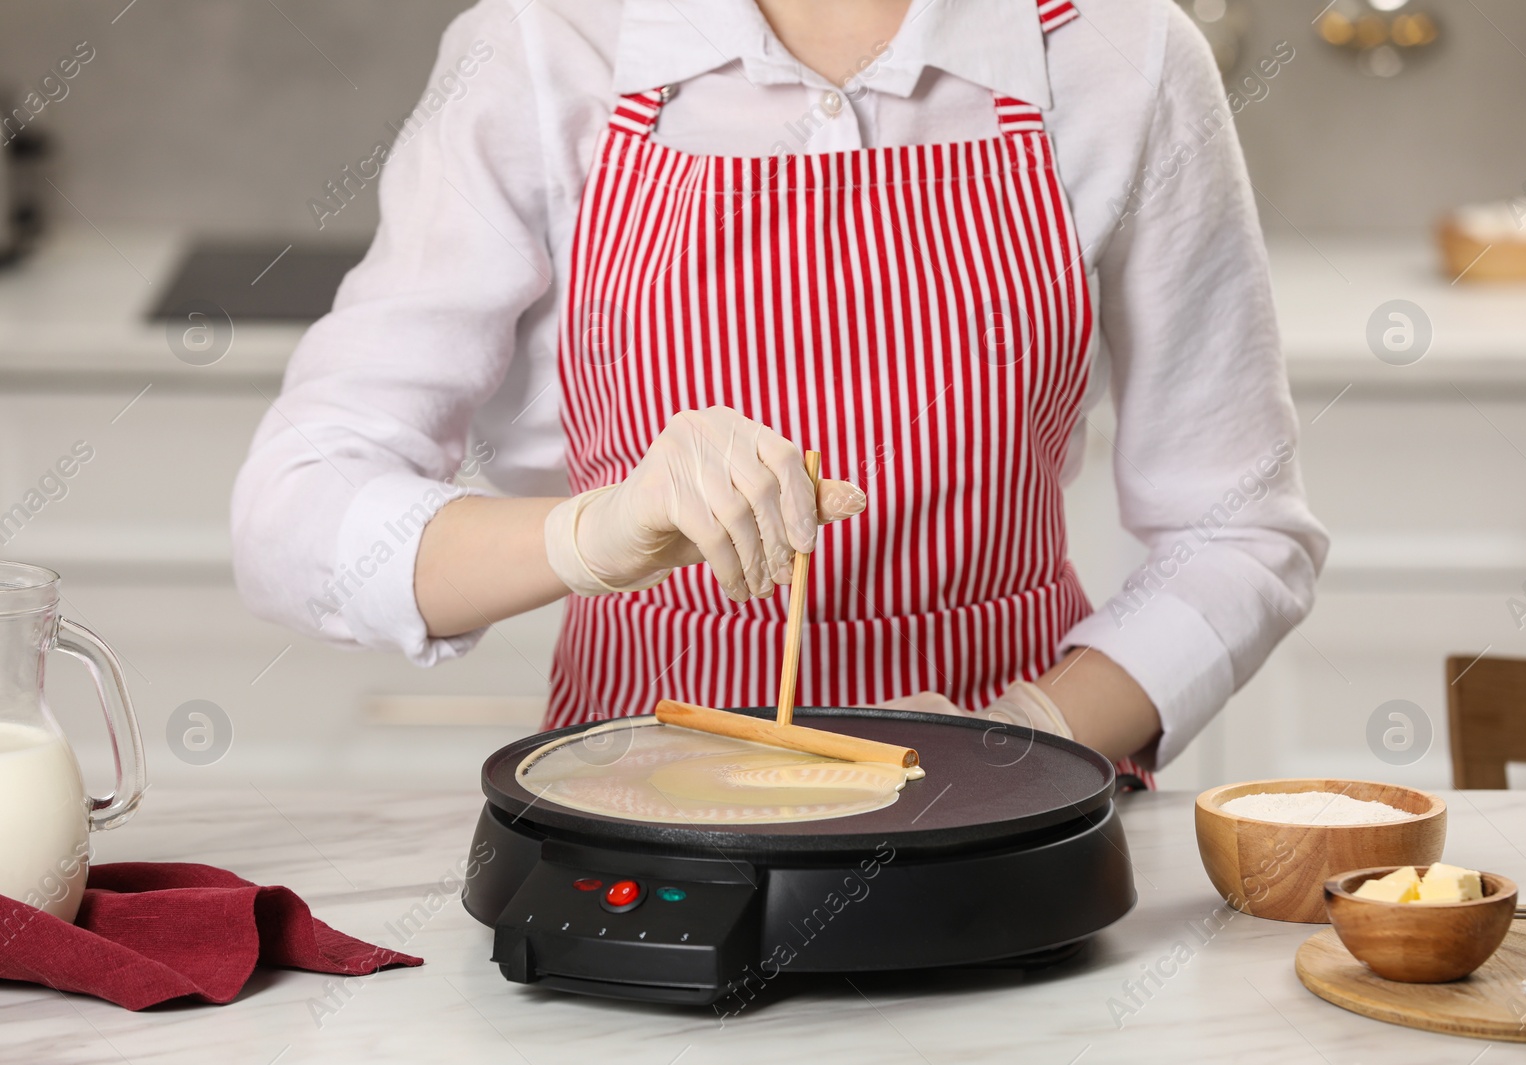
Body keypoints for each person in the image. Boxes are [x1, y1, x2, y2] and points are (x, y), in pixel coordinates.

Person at [233, 0, 1328, 785]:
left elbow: (1237, 528)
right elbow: (292, 516)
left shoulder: (1122, 54)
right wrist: (589, 533)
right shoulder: (541, 47)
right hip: (633, 819)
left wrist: (1024, 737)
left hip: (1019, 828)